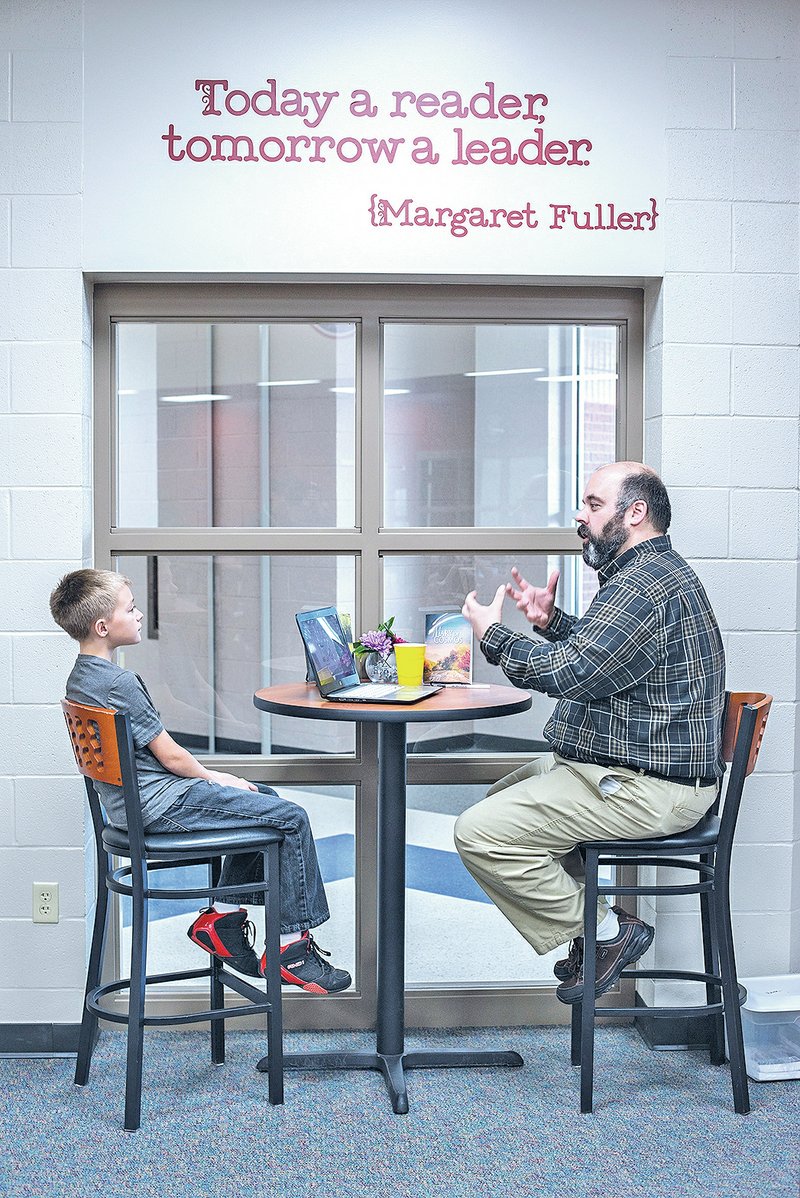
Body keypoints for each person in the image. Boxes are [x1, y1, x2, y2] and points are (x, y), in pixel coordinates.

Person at [454, 462, 725, 1003]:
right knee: (500, 801)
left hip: (649, 788)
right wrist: (552, 623)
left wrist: (494, 638)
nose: (581, 516)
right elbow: (615, 658)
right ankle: (596, 927)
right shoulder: (649, 577)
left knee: (481, 833)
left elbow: (574, 673)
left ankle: (605, 932)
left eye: (594, 505)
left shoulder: (644, 585)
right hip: (631, 773)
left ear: (636, 512)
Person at [50, 568, 350, 995]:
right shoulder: (119, 682)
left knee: (265, 798)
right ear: (103, 627)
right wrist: (217, 777)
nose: (138, 616)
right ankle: (291, 951)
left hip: (133, 807)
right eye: (131, 609)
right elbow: (170, 755)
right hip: (164, 806)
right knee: (291, 819)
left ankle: (221, 920)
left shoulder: (80, 678)